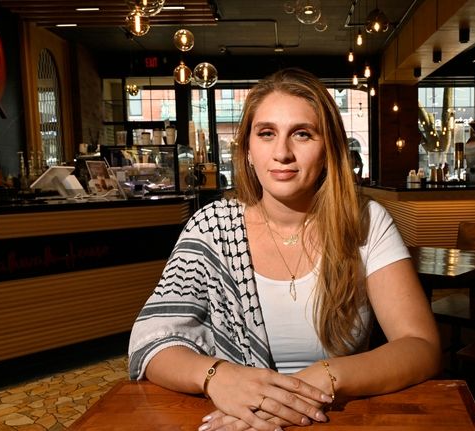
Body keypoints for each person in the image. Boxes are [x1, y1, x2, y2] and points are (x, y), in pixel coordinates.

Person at [128, 68, 441, 431]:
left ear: (329, 149)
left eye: (302, 134)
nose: (282, 153)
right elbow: (151, 342)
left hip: (333, 416)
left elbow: (420, 345)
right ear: (247, 149)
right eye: (266, 134)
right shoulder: (210, 227)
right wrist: (219, 377)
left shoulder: (365, 221)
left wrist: (325, 378)